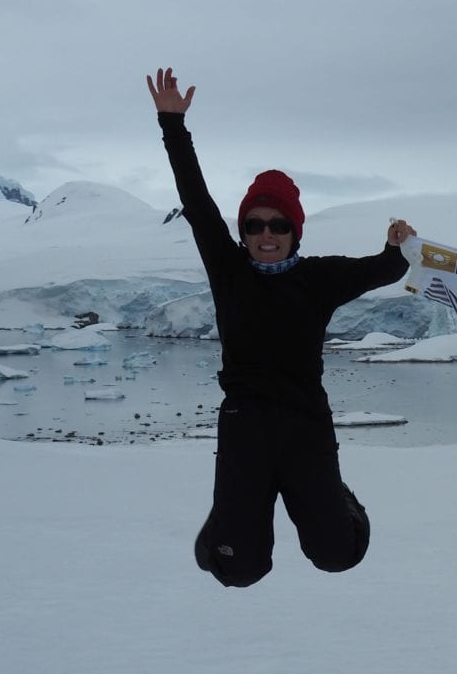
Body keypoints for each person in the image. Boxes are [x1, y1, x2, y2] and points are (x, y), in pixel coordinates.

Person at [146, 67, 417, 588]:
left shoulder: (319, 278)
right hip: (244, 427)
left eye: (278, 225)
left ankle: (338, 499)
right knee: (238, 568)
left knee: (338, 555)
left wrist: (397, 244)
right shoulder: (229, 271)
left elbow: (384, 269)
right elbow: (197, 202)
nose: (265, 234)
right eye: (254, 224)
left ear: (295, 231)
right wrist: (172, 124)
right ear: (243, 232)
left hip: (304, 426)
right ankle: (220, 525)